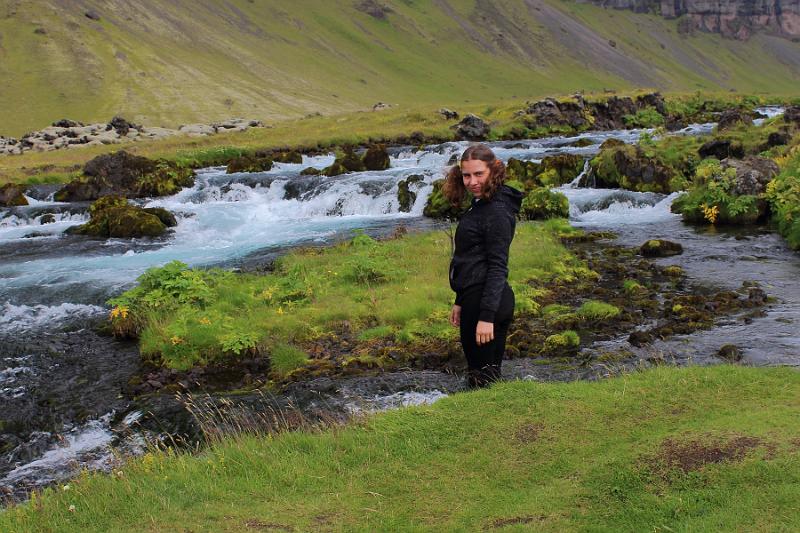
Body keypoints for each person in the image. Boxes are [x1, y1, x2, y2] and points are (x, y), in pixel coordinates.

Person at [446, 143, 522, 389]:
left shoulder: (497, 211)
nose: (472, 181)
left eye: (479, 174)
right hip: (475, 298)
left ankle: (491, 423)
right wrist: (460, 299)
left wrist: (486, 317)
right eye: (466, 175)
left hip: (487, 304)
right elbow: (469, 258)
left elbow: (498, 266)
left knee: (482, 380)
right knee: (485, 377)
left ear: (494, 170)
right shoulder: (481, 204)